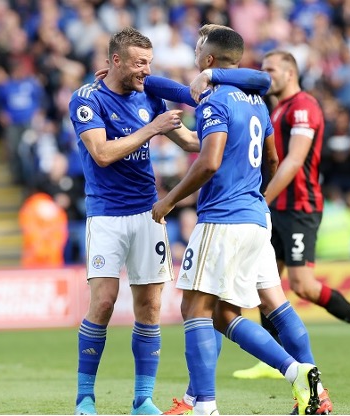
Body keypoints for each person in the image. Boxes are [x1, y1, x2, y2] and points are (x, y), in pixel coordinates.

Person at [142, 25, 333, 416]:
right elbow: (269, 158)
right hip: (255, 217)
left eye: (198, 50)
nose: (194, 54)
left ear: (208, 60)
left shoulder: (217, 100)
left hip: (223, 219)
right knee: (259, 305)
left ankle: (207, 405)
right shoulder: (257, 102)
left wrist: (170, 200)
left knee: (195, 310)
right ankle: (308, 381)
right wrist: (158, 103)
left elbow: (208, 160)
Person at [199, 50, 350, 378]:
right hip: (275, 207)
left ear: (291, 73)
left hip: (300, 207)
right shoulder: (276, 109)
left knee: (302, 285)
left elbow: (292, 161)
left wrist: (261, 198)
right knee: (265, 284)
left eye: (271, 69)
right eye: (263, 69)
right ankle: (272, 360)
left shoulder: (304, 107)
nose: (266, 75)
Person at [68, 27, 199, 416]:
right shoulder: (87, 99)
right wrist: (153, 128)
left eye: (149, 63)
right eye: (140, 63)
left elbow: (190, 143)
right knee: (104, 302)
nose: (146, 70)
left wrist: (223, 128)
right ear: (115, 60)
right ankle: (85, 398)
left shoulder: (150, 94)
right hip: (106, 214)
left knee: (150, 307)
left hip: (148, 213)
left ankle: (143, 400)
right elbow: (103, 153)